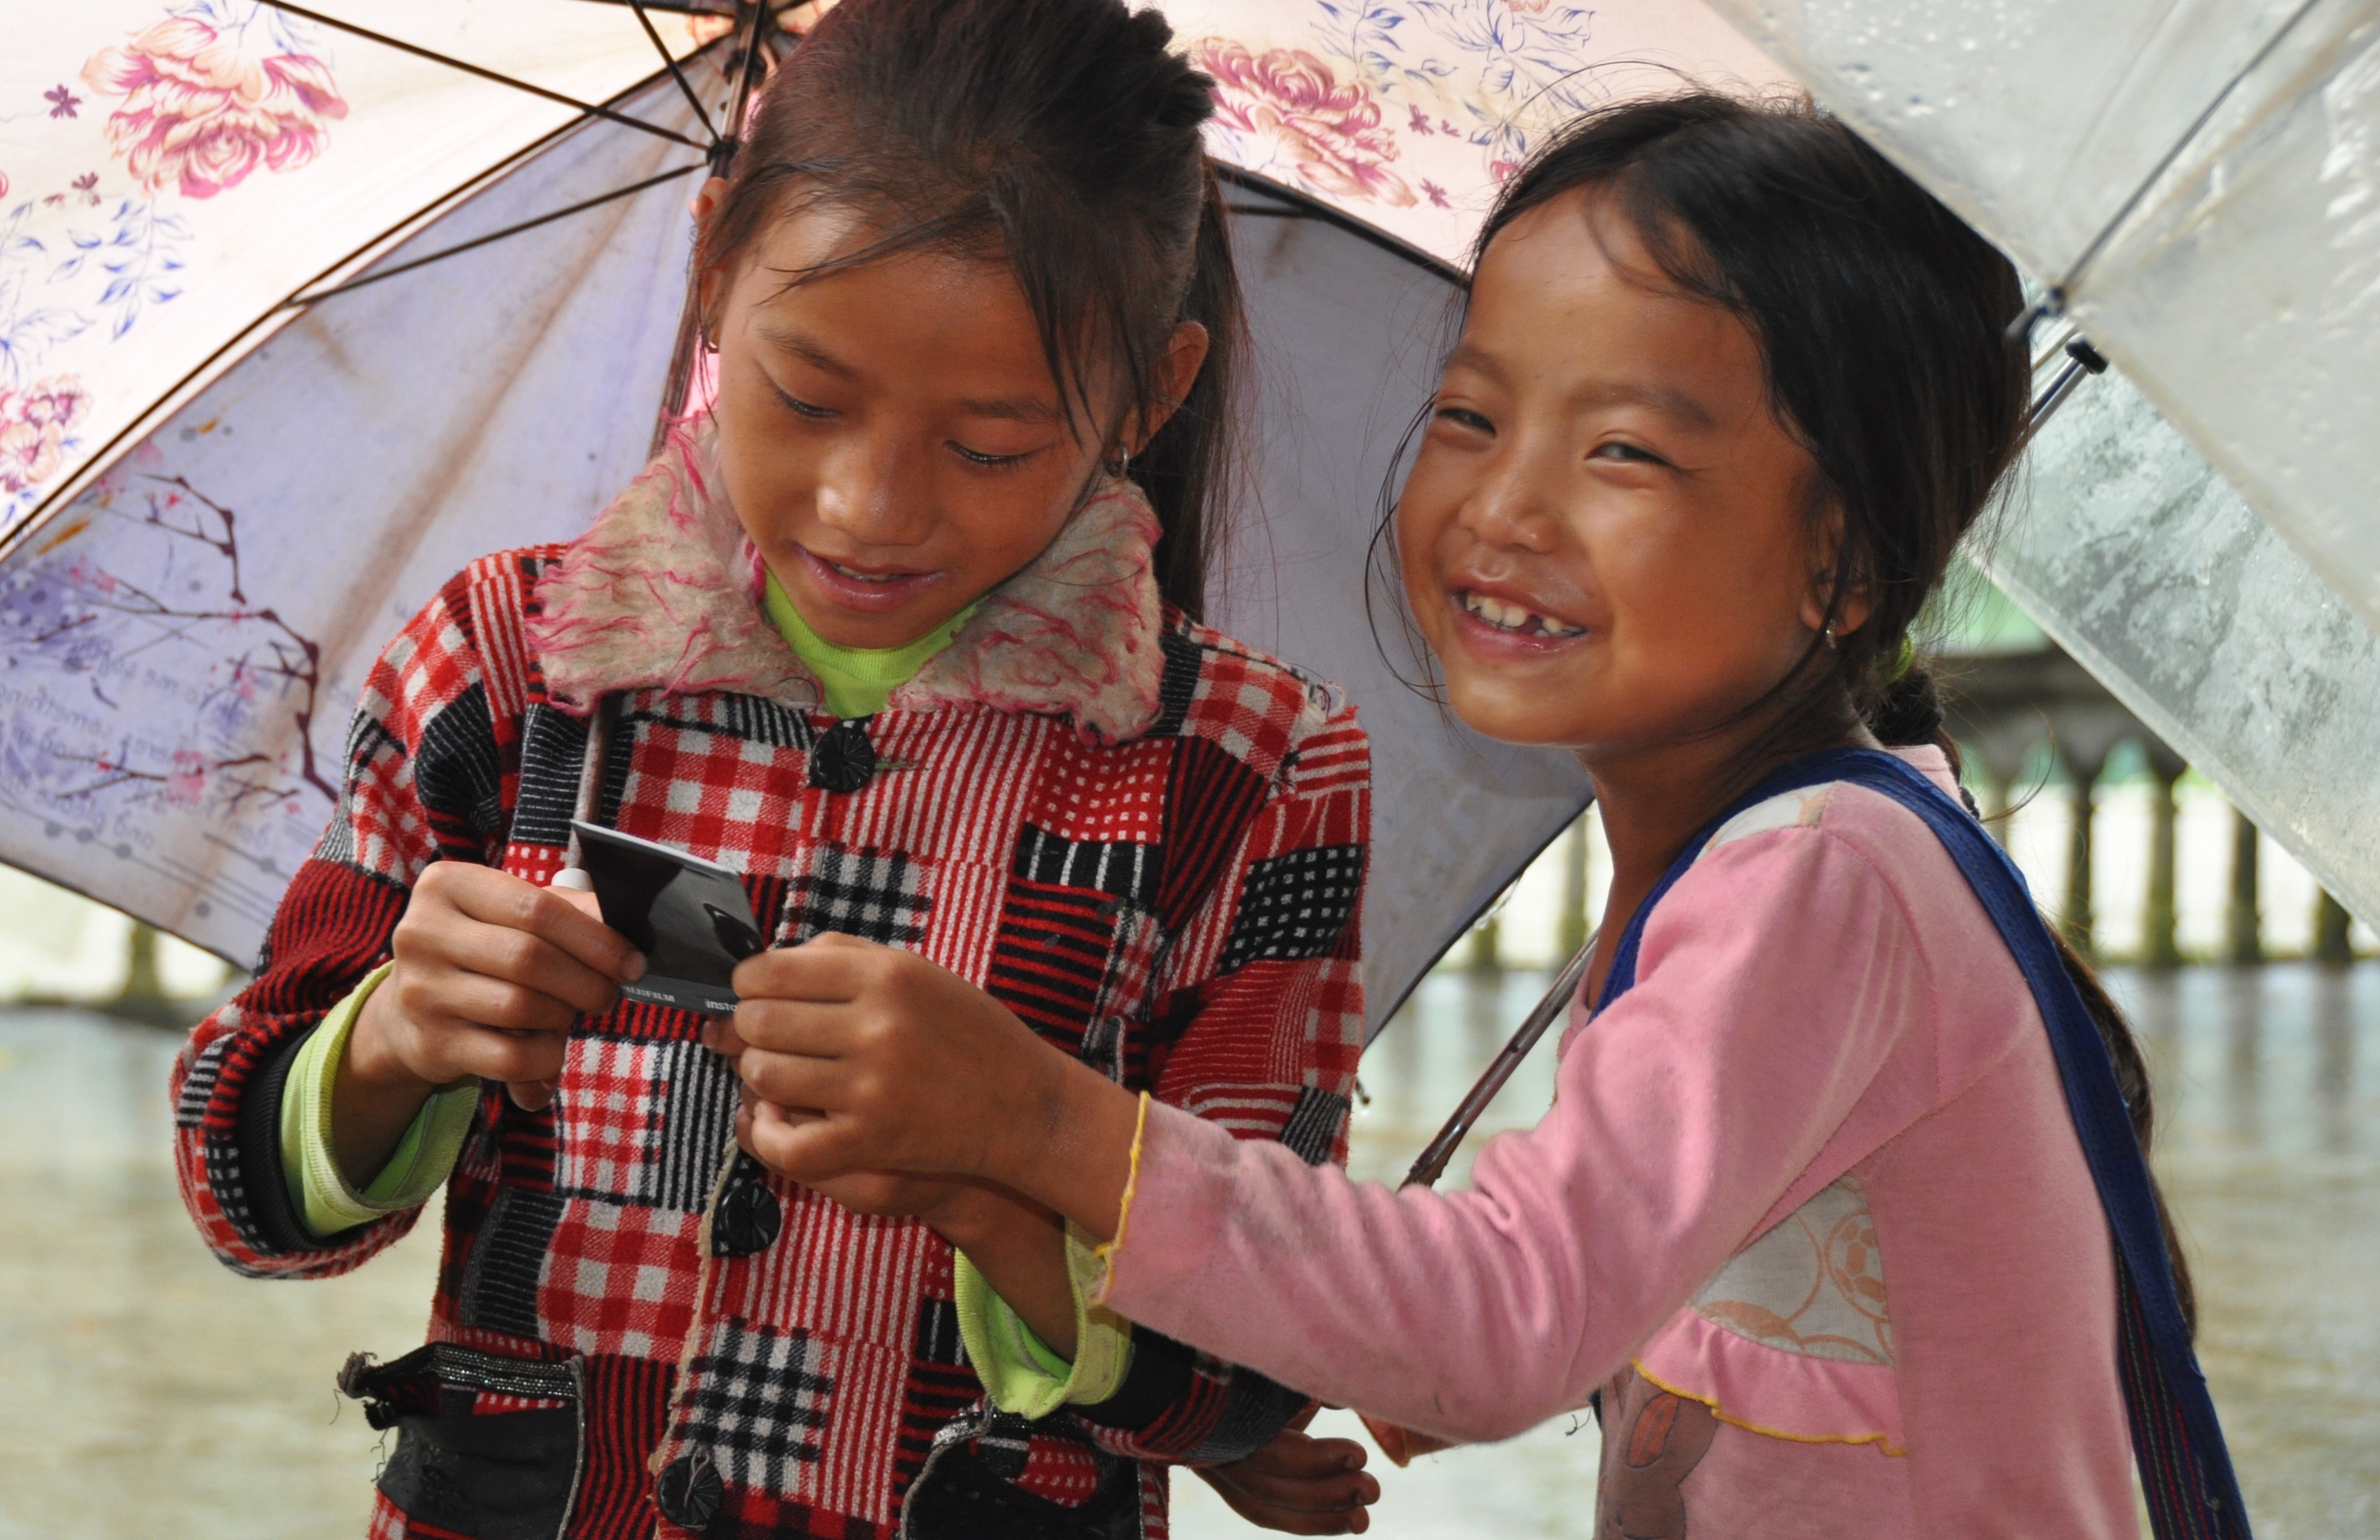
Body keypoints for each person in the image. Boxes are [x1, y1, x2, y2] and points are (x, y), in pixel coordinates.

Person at [717, 93, 2204, 1537]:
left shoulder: (1819, 880)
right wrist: (1388, 1324)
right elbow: (1585, 1311)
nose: (1504, 507)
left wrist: (1041, 1116)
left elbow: (1510, 1322)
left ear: (1843, 564)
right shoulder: (1752, 860)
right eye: (1472, 417)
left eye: (1623, 451)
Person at [170, 0, 1386, 1540]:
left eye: (990, 445)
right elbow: (241, 1191)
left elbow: (1255, 1374)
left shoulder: (1251, 768)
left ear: (1151, 394)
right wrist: (393, 1039)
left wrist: (1004, 1165)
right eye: (807, 397)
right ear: (711, 271)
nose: (871, 509)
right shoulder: (507, 668)